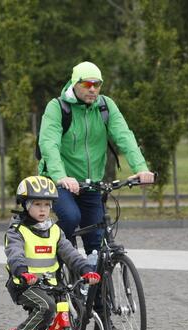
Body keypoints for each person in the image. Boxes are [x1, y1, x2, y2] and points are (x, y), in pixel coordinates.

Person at [38, 61, 155, 256]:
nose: (92, 89)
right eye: (86, 84)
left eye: (97, 84)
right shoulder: (57, 107)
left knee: (97, 242)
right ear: (75, 83)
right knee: (71, 217)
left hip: (91, 184)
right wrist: (61, 176)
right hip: (60, 182)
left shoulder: (105, 106)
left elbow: (124, 136)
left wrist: (141, 168)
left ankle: (95, 285)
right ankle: (60, 256)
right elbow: (49, 144)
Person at [1, 175, 100, 330]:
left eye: (47, 204)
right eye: (37, 204)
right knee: (46, 307)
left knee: (75, 309)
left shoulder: (55, 231)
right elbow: (15, 253)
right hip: (25, 285)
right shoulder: (17, 230)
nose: (43, 209)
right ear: (26, 205)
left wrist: (86, 269)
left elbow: (70, 253)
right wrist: (22, 271)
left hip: (53, 285)